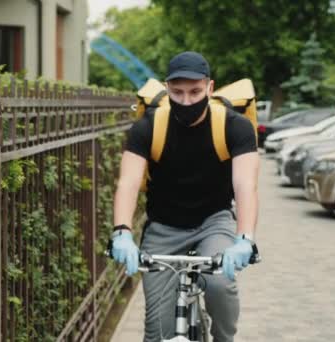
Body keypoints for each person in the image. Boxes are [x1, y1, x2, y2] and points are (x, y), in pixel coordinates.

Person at [110, 51, 259, 342]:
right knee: (156, 333)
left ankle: (223, 339)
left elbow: (245, 185)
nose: (187, 100)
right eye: (177, 92)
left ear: (210, 88)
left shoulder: (234, 126)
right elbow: (127, 182)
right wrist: (122, 232)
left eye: (195, 92)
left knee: (219, 285)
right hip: (163, 226)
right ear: (167, 89)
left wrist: (244, 239)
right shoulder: (148, 127)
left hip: (213, 221)